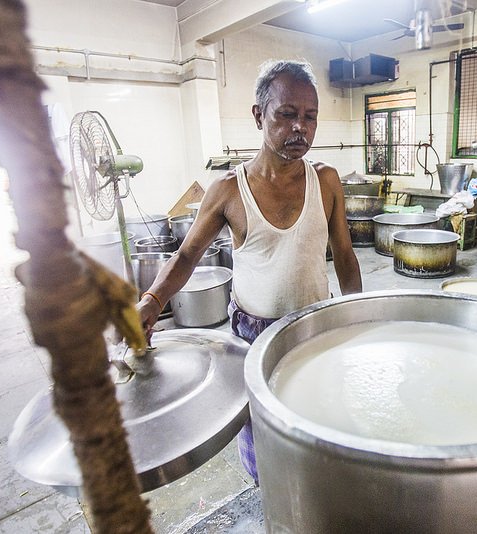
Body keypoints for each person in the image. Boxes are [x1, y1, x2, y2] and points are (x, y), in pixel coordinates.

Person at [137, 59, 362, 483]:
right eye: (287, 114)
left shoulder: (326, 181)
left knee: (318, 422)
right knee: (264, 439)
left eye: (310, 117)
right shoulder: (229, 190)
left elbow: (345, 256)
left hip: (315, 326)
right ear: (259, 115)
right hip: (253, 336)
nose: (300, 128)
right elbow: (186, 257)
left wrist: (357, 315)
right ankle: (270, 494)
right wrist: (152, 300)